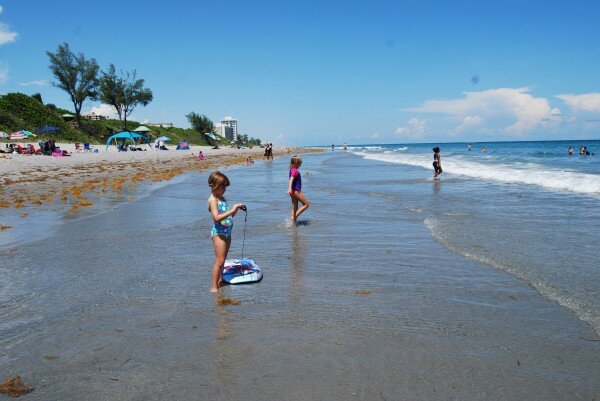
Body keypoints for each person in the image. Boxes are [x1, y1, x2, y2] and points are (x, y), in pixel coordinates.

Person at [207, 171, 245, 292]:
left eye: (226, 186)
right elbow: (216, 217)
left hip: (227, 232)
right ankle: (213, 287)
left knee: (224, 259)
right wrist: (231, 209)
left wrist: (236, 210)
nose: (225, 189)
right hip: (219, 233)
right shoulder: (213, 200)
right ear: (215, 185)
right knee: (219, 260)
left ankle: (221, 281)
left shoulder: (222, 198)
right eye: (223, 186)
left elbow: (228, 216)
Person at [287, 156, 310, 224]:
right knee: (306, 204)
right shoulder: (295, 171)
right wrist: (289, 188)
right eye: (300, 163)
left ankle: (292, 222)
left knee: (295, 206)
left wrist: (290, 189)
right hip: (296, 191)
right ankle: (293, 218)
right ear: (296, 163)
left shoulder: (292, 169)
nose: (300, 165)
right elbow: (291, 179)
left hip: (292, 191)